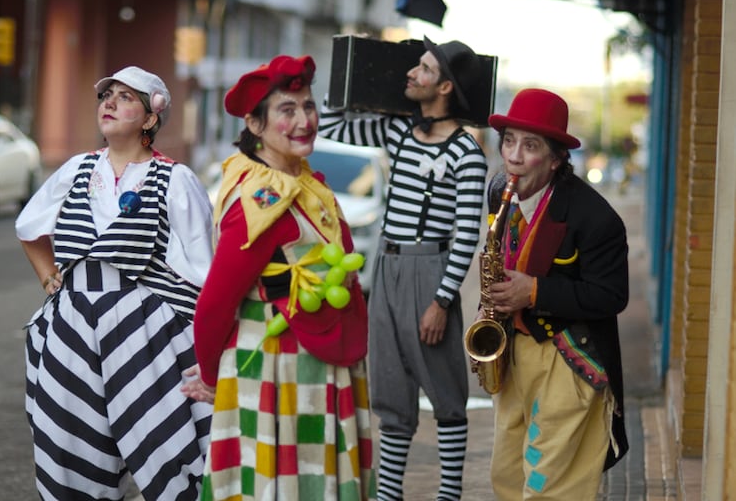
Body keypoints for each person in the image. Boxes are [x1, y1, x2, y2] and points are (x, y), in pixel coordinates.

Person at [180, 55, 376, 500]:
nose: (305, 120)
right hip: (278, 365)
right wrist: (212, 379)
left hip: (320, 357)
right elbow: (215, 303)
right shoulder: (262, 197)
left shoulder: (305, 181)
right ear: (255, 124)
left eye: (308, 106)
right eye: (287, 110)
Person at [16, 66, 213, 500]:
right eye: (107, 95)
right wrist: (50, 278)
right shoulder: (77, 169)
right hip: (72, 324)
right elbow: (29, 227)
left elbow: (203, 268)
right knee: (68, 445)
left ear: (149, 119)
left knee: (162, 444)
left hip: (142, 328)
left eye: (125, 97)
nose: (109, 102)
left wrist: (209, 344)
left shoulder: (174, 179)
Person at [318, 37, 488, 500]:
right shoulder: (397, 132)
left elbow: (466, 235)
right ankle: (388, 495)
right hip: (386, 266)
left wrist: (441, 301)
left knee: (446, 391)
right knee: (390, 390)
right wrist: (383, 82)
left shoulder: (466, 155)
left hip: (430, 270)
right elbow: (332, 124)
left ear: (446, 87)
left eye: (425, 69)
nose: (412, 72)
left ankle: (448, 495)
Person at [481, 88, 629, 500]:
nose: (513, 155)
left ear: (556, 157)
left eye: (530, 146)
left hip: (570, 355)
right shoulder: (500, 192)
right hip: (516, 352)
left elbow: (612, 296)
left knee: (550, 487)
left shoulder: (597, 218)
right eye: (509, 141)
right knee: (506, 476)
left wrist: (533, 291)